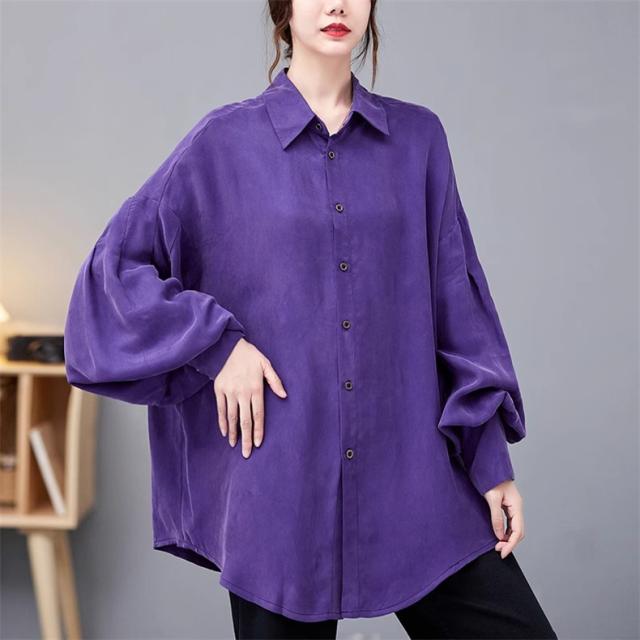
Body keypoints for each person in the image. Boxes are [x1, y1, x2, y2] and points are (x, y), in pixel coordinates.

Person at [63, 1, 559, 638]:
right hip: (278, 496)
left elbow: (456, 308)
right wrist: (218, 346)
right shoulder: (222, 144)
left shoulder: (419, 142)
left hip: (414, 480)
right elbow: (113, 275)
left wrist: (490, 463)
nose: (337, 4)